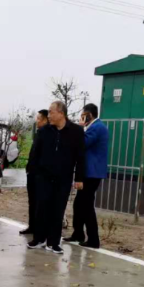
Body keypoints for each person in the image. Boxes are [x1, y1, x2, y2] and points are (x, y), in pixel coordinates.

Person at [28, 101, 86, 255]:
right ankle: (39, 238)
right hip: (44, 177)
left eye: (51, 112)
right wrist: (33, 172)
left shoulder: (76, 131)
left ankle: (53, 242)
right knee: (41, 208)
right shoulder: (44, 131)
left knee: (58, 209)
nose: (48, 115)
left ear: (61, 113)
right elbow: (35, 153)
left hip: (63, 178)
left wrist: (79, 178)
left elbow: (81, 157)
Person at [67, 104, 109, 249]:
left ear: (89, 114)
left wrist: (80, 128)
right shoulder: (95, 127)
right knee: (79, 204)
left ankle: (93, 240)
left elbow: (82, 143)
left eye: (83, 115)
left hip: (92, 173)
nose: (82, 118)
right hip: (90, 172)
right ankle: (78, 233)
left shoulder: (96, 127)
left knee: (86, 205)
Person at [20, 110, 49, 236]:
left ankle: (39, 228)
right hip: (31, 173)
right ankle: (31, 226)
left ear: (45, 120)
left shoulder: (48, 135)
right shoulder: (38, 133)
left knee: (39, 202)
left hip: (39, 174)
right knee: (32, 201)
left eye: (39, 119)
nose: (37, 121)